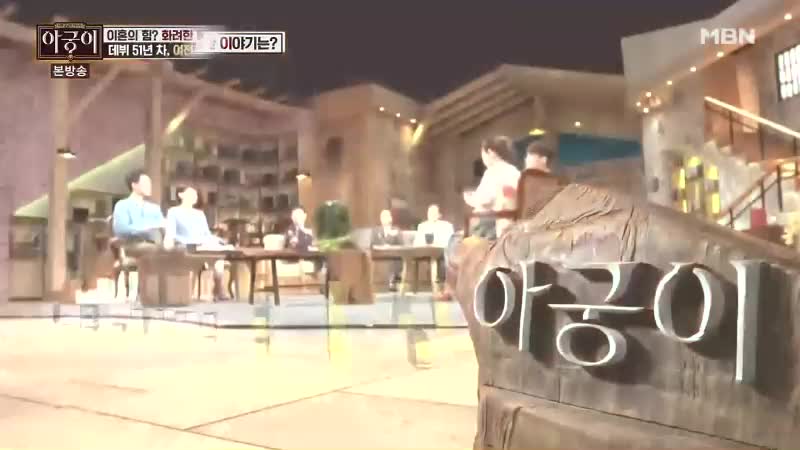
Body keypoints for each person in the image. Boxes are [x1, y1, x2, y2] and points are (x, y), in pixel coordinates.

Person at [164, 186, 231, 301]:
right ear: (181, 195)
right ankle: (215, 290)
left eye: (195, 194)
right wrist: (169, 244)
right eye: (191, 193)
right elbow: (171, 233)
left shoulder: (199, 214)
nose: (194, 196)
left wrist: (218, 240)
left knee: (217, 254)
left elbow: (206, 234)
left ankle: (217, 287)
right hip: (187, 245)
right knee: (211, 253)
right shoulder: (173, 212)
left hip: (203, 245)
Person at [463, 136, 521, 239]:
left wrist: (470, 199)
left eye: (482, 153)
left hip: (491, 223)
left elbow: (485, 201)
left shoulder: (492, 172)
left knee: (456, 240)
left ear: (490, 152)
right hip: (512, 220)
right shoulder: (515, 172)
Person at [112, 169, 165, 244]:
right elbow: (121, 230)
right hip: (131, 245)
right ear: (134, 185)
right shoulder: (122, 205)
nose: (149, 186)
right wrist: (149, 227)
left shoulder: (154, 208)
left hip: (155, 245)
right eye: (145, 183)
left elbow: (162, 225)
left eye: (150, 183)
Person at [413, 204, 454, 286]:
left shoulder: (447, 226)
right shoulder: (422, 226)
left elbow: (450, 242)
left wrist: (437, 243)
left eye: (434, 213)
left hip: (442, 252)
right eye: (430, 213)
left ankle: (441, 283)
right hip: (425, 252)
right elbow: (416, 243)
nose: (431, 215)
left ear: (439, 215)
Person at [370, 209, 403, 291]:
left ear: (391, 218)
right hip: (379, 254)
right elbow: (372, 244)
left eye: (387, 216)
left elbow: (402, 244)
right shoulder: (375, 230)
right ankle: (390, 281)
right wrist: (383, 245)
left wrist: (393, 235)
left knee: (395, 259)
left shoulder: (396, 230)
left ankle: (392, 281)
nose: (385, 218)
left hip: (393, 255)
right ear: (380, 219)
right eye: (383, 216)